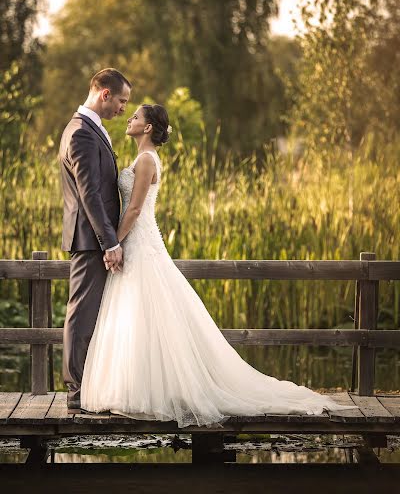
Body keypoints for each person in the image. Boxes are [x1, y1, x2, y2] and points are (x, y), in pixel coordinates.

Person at [80, 103, 356, 427]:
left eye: (136, 117)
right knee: (137, 315)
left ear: (149, 127)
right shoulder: (144, 158)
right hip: (138, 244)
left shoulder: (145, 160)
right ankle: (132, 390)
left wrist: (112, 244)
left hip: (141, 243)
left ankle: (145, 393)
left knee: (146, 313)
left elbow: (135, 209)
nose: (129, 119)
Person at [59, 68, 131, 413]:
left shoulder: (90, 130)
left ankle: (89, 388)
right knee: (82, 314)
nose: (123, 108)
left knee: (91, 314)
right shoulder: (81, 134)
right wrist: (109, 243)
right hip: (90, 240)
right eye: (121, 100)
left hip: (94, 239)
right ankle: (76, 393)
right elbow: (90, 194)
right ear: (104, 94)